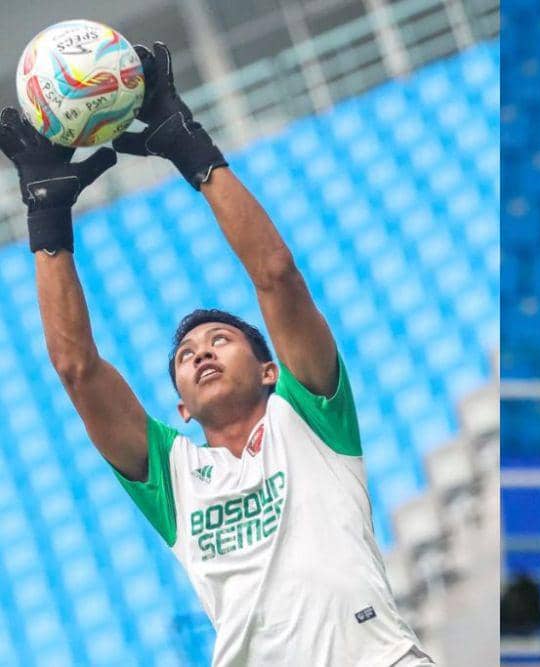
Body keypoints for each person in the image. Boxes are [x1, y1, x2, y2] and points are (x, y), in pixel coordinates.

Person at [0, 42, 432, 667]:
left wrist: (192, 151)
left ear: (270, 371)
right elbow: (77, 368)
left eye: (220, 340)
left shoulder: (310, 418)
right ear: (180, 405)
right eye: (185, 355)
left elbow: (276, 276)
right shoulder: (171, 477)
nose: (200, 353)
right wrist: (47, 224)